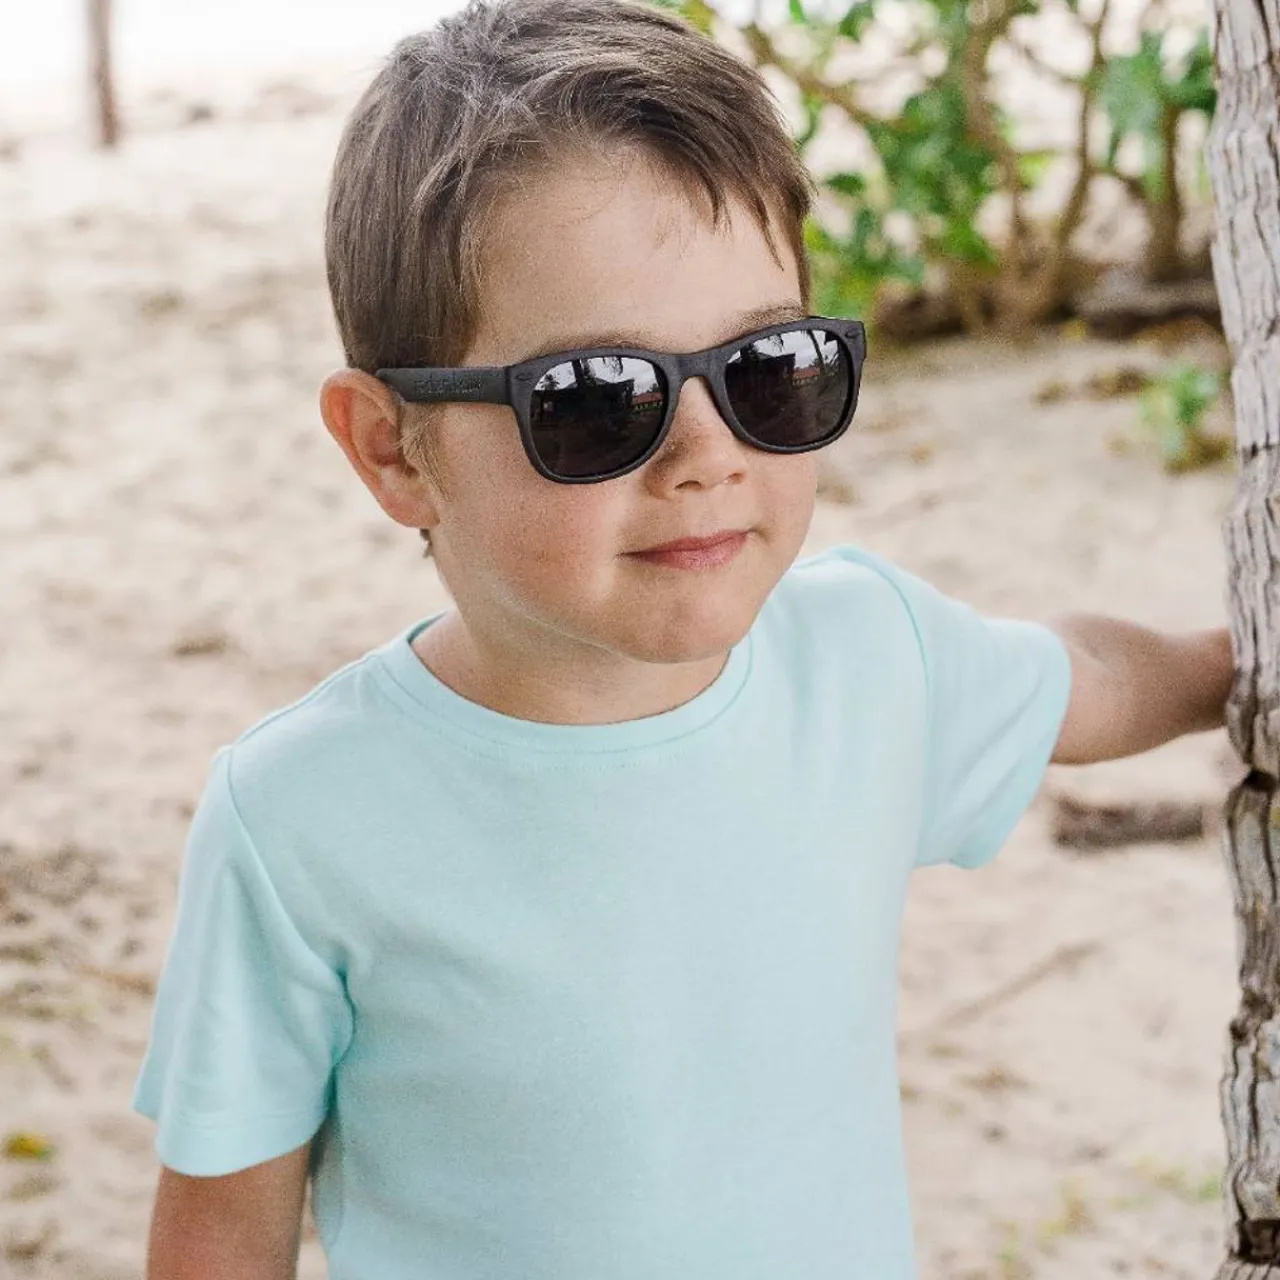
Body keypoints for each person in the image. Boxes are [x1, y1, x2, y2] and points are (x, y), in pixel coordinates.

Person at [132, 0, 1235, 1275]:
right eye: (597, 398)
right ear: (393, 449)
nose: (707, 455)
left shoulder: (863, 660)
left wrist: (1225, 667)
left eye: (769, 367)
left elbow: (1088, 679)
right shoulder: (300, 818)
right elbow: (222, 1228)